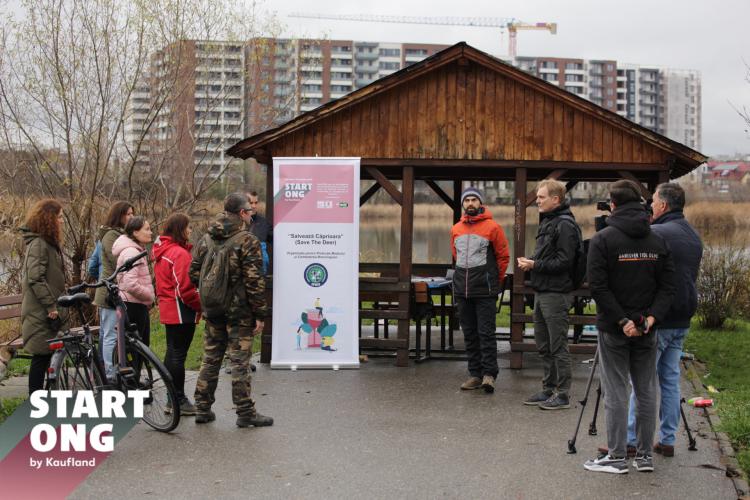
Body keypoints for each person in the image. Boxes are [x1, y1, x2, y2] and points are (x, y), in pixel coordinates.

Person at [583, 179, 676, 474]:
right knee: (646, 391)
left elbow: (598, 287)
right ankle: (645, 456)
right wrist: (650, 319)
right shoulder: (658, 240)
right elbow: (668, 287)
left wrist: (622, 321)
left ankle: (617, 456)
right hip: (647, 328)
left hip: (615, 328)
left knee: (616, 391)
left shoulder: (603, 240)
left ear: (612, 205)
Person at [625, 182, 703, 457]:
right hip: (683, 314)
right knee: (670, 380)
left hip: (659, 316)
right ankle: (668, 439)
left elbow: (644, 275)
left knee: (642, 381)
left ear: (664, 205)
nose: (650, 205)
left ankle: (631, 440)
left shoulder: (658, 233)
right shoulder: (692, 234)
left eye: (654, 200)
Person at [189, 192, 271, 427]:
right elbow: (254, 282)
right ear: (242, 213)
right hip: (239, 313)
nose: (251, 215)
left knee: (210, 359)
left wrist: (215, 291)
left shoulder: (206, 238)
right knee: (239, 362)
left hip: (213, 309)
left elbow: (194, 273)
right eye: (250, 211)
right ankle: (245, 412)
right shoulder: (247, 241)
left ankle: (202, 408)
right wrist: (260, 314)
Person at [518, 179, 580, 410]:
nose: (537, 201)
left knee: (558, 345)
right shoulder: (549, 222)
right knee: (543, 344)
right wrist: (533, 262)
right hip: (542, 291)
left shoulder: (565, 225)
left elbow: (565, 262)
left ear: (556, 199)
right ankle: (548, 389)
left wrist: (535, 265)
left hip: (556, 292)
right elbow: (549, 256)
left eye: (541, 197)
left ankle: (562, 394)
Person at [451, 187, 510, 394]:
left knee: (486, 333)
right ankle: (475, 374)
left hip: (485, 290)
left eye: (474, 200)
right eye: (466, 200)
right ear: (463, 204)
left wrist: (493, 281)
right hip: (462, 290)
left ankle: (489, 375)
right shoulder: (456, 229)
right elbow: (456, 256)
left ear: (480, 203)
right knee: (469, 334)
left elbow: (503, 257)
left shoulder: (493, 227)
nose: (470, 203)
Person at [153, 213, 202, 416]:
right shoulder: (179, 254)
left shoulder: (163, 251)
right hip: (180, 309)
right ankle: (178, 399)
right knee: (178, 355)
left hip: (168, 307)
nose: (190, 231)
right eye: (188, 227)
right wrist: (201, 305)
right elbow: (186, 289)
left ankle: (170, 398)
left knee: (172, 352)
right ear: (180, 229)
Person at [20, 199, 67, 394]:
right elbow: (35, 278)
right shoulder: (39, 244)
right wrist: (51, 306)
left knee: (47, 355)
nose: (62, 221)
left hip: (46, 311)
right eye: (59, 217)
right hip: (41, 312)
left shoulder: (48, 243)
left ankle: (45, 398)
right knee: (41, 357)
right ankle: (35, 400)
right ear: (49, 219)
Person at [94, 201, 134, 380]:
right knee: (110, 334)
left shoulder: (121, 235)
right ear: (119, 216)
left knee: (109, 334)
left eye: (132, 214)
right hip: (109, 293)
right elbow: (117, 260)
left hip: (116, 291)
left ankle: (106, 370)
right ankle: (109, 374)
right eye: (128, 214)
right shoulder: (111, 235)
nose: (132, 217)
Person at [112, 216, 155, 347]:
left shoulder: (135, 250)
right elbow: (130, 284)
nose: (151, 232)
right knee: (138, 350)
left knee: (140, 348)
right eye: (147, 229)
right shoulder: (131, 252)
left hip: (135, 304)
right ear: (135, 232)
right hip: (133, 307)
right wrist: (149, 295)